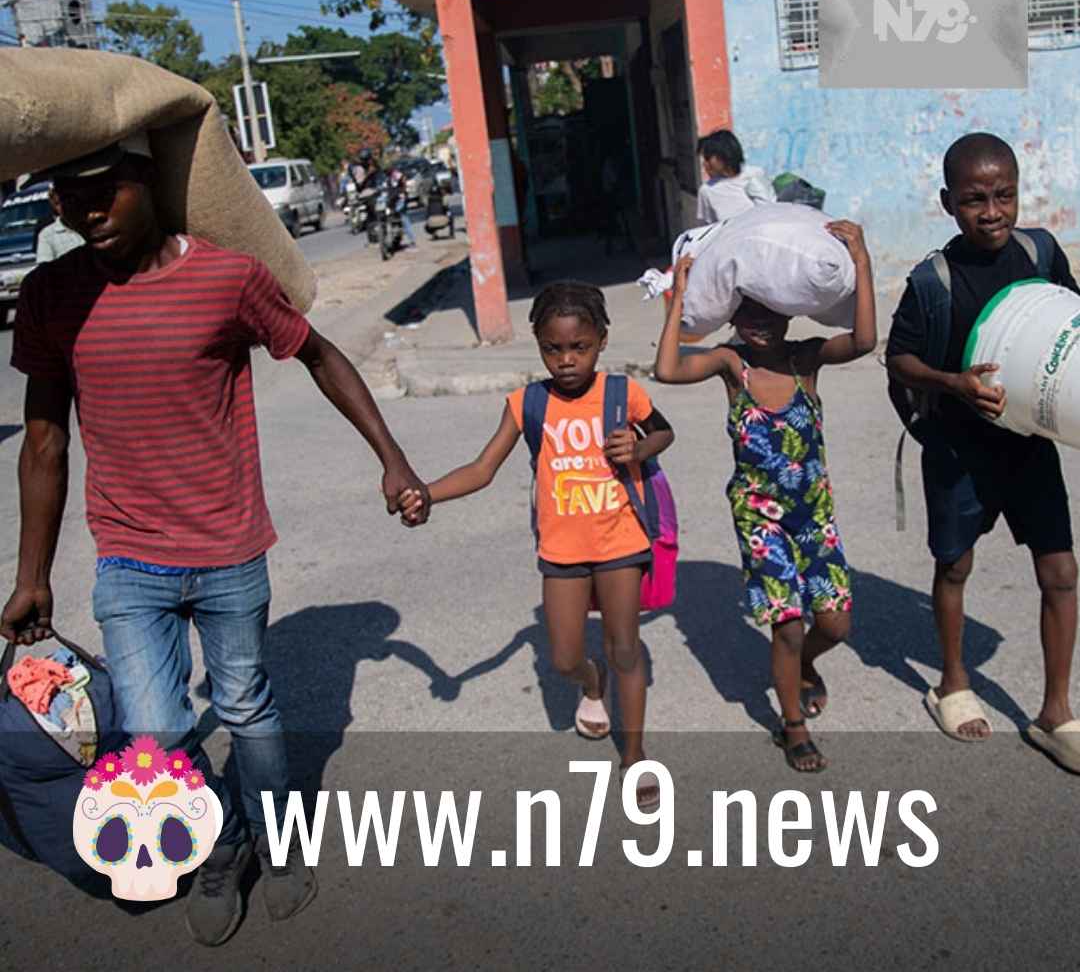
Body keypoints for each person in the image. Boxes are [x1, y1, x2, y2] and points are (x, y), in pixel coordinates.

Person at [1, 134, 431, 945]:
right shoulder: (54, 294)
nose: (84, 210)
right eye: (66, 194)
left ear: (150, 183)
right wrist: (33, 577)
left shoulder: (227, 277)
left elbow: (319, 352)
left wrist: (392, 459)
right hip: (128, 555)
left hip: (231, 547)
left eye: (103, 190)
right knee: (153, 729)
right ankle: (221, 848)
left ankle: (279, 839)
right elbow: (45, 439)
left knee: (245, 708)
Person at [400, 282, 674, 806]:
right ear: (538, 344)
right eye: (553, 348)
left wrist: (638, 448)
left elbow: (664, 433)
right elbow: (483, 469)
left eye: (579, 347)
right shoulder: (528, 402)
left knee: (624, 646)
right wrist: (428, 493)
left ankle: (635, 754)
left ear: (602, 341)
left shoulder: (621, 393)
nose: (567, 360)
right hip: (562, 551)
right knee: (566, 655)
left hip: (620, 539)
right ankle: (591, 684)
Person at [885, 132, 1079, 771]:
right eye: (974, 199)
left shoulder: (1040, 252)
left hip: (1028, 445)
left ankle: (1056, 713)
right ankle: (952, 683)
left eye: (1004, 195)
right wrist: (952, 386)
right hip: (959, 449)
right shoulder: (932, 280)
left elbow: (1066, 318)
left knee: (1060, 573)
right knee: (955, 567)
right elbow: (900, 358)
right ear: (948, 202)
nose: (991, 211)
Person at [655, 221, 876, 772]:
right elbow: (668, 368)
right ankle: (792, 725)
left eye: (768, 309)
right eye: (745, 310)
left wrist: (862, 260)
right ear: (731, 315)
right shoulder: (734, 367)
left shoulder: (806, 360)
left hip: (814, 516)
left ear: (790, 309)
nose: (757, 322)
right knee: (788, 624)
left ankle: (803, 665)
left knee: (836, 625)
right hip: (760, 519)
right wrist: (678, 295)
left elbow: (866, 341)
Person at [696, 129, 775, 226]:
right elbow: (706, 229)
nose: (705, 164)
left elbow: (771, 211)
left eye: (708, 158)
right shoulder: (707, 190)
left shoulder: (754, 175)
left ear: (723, 155)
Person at [34, 188, 83, 263]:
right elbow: (44, 268)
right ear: (54, 207)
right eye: (58, 203)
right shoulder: (47, 235)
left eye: (66, 201)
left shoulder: (91, 224)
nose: (63, 206)